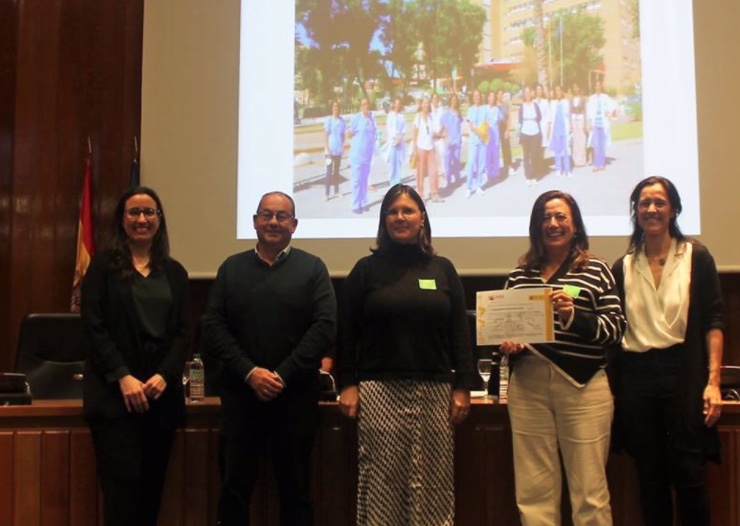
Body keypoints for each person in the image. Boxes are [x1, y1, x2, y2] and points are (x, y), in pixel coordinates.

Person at [337, 183, 475, 526]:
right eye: (393, 212)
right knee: (383, 481)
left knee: (433, 480)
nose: (400, 217)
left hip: (435, 391)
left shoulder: (442, 269)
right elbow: (346, 332)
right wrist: (347, 383)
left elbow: (459, 331)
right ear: (384, 220)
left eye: (408, 211)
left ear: (422, 218)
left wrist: (463, 386)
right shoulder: (365, 270)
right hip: (379, 391)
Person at [203, 191, 337, 525]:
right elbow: (214, 327)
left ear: (294, 224)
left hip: (295, 399)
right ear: (254, 221)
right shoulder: (231, 269)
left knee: (296, 492)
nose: (273, 222)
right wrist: (250, 373)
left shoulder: (313, 269)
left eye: (281, 216)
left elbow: (324, 327)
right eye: (266, 215)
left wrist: (281, 375)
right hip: (241, 397)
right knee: (234, 492)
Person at [500, 190, 625, 526]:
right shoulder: (519, 275)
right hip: (528, 387)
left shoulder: (596, 269)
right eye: (545, 218)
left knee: (590, 493)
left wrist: (574, 316)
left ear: (575, 225)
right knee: (533, 495)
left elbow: (615, 329)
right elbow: (504, 329)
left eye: (560, 217)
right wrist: (509, 343)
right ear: (535, 226)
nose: (552, 224)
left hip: (583, 387)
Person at [611, 176, 724, 526]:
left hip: (684, 376)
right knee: (650, 481)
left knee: (690, 476)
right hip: (637, 380)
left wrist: (713, 382)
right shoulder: (623, 266)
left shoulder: (696, 257)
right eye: (644, 203)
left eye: (659, 202)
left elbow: (713, 321)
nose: (652, 209)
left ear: (673, 209)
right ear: (636, 211)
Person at [81, 186, 190, 526]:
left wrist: (165, 375)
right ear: (122, 220)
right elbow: (93, 327)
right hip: (115, 399)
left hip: (160, 397)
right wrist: (122, 376)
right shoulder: (102, 267)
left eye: (149, 212)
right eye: (134, 212)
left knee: (151, 493)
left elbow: (184, 332)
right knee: (121, 492)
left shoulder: (175, 272)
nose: (142, 219)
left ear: (159, 219)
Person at [347, 97, 377, 214]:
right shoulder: (356, 118)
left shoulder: (371, 118)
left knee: (364, 181)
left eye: (367, 104)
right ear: (360, 106)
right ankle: (355, 205)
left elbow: (374, 133)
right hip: (357, 155)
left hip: (367, 155)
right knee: (356, 181)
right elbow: (349, 133)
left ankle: (363, 202)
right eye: (364, 104)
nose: (366, 106)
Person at [412, 96, 443, 203]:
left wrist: (440, 135)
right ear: (421, 104)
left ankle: (434, 193)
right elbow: (415, 134)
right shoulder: (418, 117)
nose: (426, 105)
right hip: (421, 147)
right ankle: (420, 194)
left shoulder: (430, 117)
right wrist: (414, 149)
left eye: (428, 103)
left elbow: (431, 132)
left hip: (430, 147)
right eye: (424, 103)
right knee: (420, 172)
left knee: (434, 171)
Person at [587, 80, 616, 172]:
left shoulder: (605, 97)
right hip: (595, 124)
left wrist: (609, 112)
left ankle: (602, 164)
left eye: (599, 85)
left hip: (603, 124)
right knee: (596, 144)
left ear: (601, 87)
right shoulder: (592, 98)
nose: (597, 87)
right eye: (596, 86)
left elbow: (613, 105)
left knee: (602, 144)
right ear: (594, 87)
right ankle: (596, 164)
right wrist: (589, 123)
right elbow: (589, 111)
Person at [518, 86, 542, 187]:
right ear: (524, 94)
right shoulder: (522, 106)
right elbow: (520, 120)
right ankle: (528, 177)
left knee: (534, 155)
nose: (527, 94)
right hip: (525, 132)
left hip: (535, 132)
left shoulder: (535, 105)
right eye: (526, 92)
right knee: (526, 155)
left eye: (529, 92)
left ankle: (533, 175)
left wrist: (533, 123)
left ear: (531, 93)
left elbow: (539, 117)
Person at [465, 89, 487, 198]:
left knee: (481, 164)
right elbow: (470, 125)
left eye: (478, 95)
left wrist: (483, 134)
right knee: (471, 163)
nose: (477, 97)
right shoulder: (470, 110)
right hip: (473, 140)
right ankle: (469, 187)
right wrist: (478, 132)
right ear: (473, 98)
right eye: (475, 96)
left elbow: (486, 124)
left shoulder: (484, 109)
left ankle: (478, 185)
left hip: (482, 140)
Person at [324, 100, 346, 200]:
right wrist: (327, 149)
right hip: (329, 151)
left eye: (337, 107)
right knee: (329, 172)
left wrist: (343, 146)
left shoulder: (342, 121)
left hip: (338, 150)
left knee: (336, 171)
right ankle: (327, 194)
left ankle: (336, 191)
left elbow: (343, 135)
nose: (336, 109)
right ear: (332, 108)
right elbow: (325, 135)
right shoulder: (329, 120)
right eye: (334, 107)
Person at [548, 85, 572, 178]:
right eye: (556, 91)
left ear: (562, 92)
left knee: (566, 150)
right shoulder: (552, 103)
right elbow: (550, 117)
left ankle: (567, 170)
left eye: (559, 91)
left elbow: (569, 115)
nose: (558, 92)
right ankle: (558, 169)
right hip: (556, 129)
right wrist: (549, 129)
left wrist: (570, 126)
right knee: (557, 150)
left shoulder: (566, 102)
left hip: (564, 129)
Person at [442, 93, 463, 188]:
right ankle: (448, 180)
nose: (454, 102)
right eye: (452, 100)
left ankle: (457, 179)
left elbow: (459, 125)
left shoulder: (458, 113)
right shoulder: (446, 113)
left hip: (457, 139)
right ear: (450, 101)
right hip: (449, 140)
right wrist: (447, 138)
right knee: (448, 161)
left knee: (457, 160)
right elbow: (445, 127)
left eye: (455, 100)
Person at [385, 96, 407, 187]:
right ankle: (392, 181)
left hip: (400, 141)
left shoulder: (401, 116)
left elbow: (404, 129)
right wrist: (394, 138)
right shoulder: (390, 115)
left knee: (398, 161)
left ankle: (397, 181)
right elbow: (389, 128)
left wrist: (400, 137)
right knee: (392, 162)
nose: (398, 105)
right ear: (394, 104)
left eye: (399, 104)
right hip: (392, 142)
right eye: (396, 104)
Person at [485, 90, 503, 181]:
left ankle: (496, 173)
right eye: (490, 96)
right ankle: (488, 173)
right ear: (487, 98)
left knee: (495, 155)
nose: (492, 98)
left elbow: (501, 119)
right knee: (487, 155)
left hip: (495, 136)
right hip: (487, 136)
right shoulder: (484, 109)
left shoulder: (497, 110)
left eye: (493, 96)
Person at [570, 83, 587, 167]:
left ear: (579, 88)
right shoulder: (571, 99)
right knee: (575, 140)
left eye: (577, 87)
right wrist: (570, 124)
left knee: (582, 140)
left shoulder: (582, 99)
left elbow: (585, 111)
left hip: (581, 119)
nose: (575, 89)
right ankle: (575, 160)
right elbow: (570, 111)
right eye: (574, 88)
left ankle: (582, 160)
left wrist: (585, 123)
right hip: (574, 119)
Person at [496, 89, 513, 176]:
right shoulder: (493, 106)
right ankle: (495, 168)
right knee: (494, 148)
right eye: (498, 94)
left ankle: (509, 166)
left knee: (506, 147)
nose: (500, 96)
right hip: (495, 128)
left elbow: (509, 118)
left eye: (501, 94)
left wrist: (508, 130)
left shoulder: (505, 106)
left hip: (503, 128)